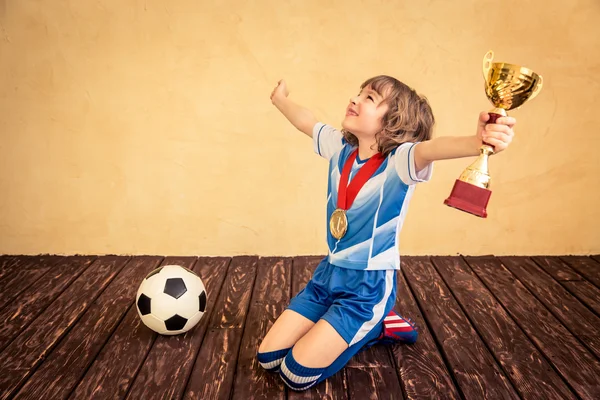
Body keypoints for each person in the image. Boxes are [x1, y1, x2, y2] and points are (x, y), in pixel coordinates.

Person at [257, 75, 515, 391]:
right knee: (267, 357)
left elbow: (432, 148)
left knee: (294, 374)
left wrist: (477, 141)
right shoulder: (341, 148)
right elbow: (306, 121)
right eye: (359, 93)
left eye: (369, 98)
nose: (355, 99)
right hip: (328, 275)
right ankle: (342, 323)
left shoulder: (400, 161)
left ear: (394, 121)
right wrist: (280, 99)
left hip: (368, 286)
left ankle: (377, 324)